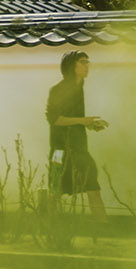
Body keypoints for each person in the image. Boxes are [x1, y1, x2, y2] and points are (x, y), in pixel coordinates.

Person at [47, 50, 109, 220]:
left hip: (79, 149)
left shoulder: (79, 88)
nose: (87, 66)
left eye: (88, 62)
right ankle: (50, 228)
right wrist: (83, 121)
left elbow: (73, 120)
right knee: (54, 191)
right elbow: (55, 120)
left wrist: (90, 124)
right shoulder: (58, 90)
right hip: (59, 150)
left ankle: (104, 229)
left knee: (93, 188)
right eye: (83, 62)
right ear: (71, 66)